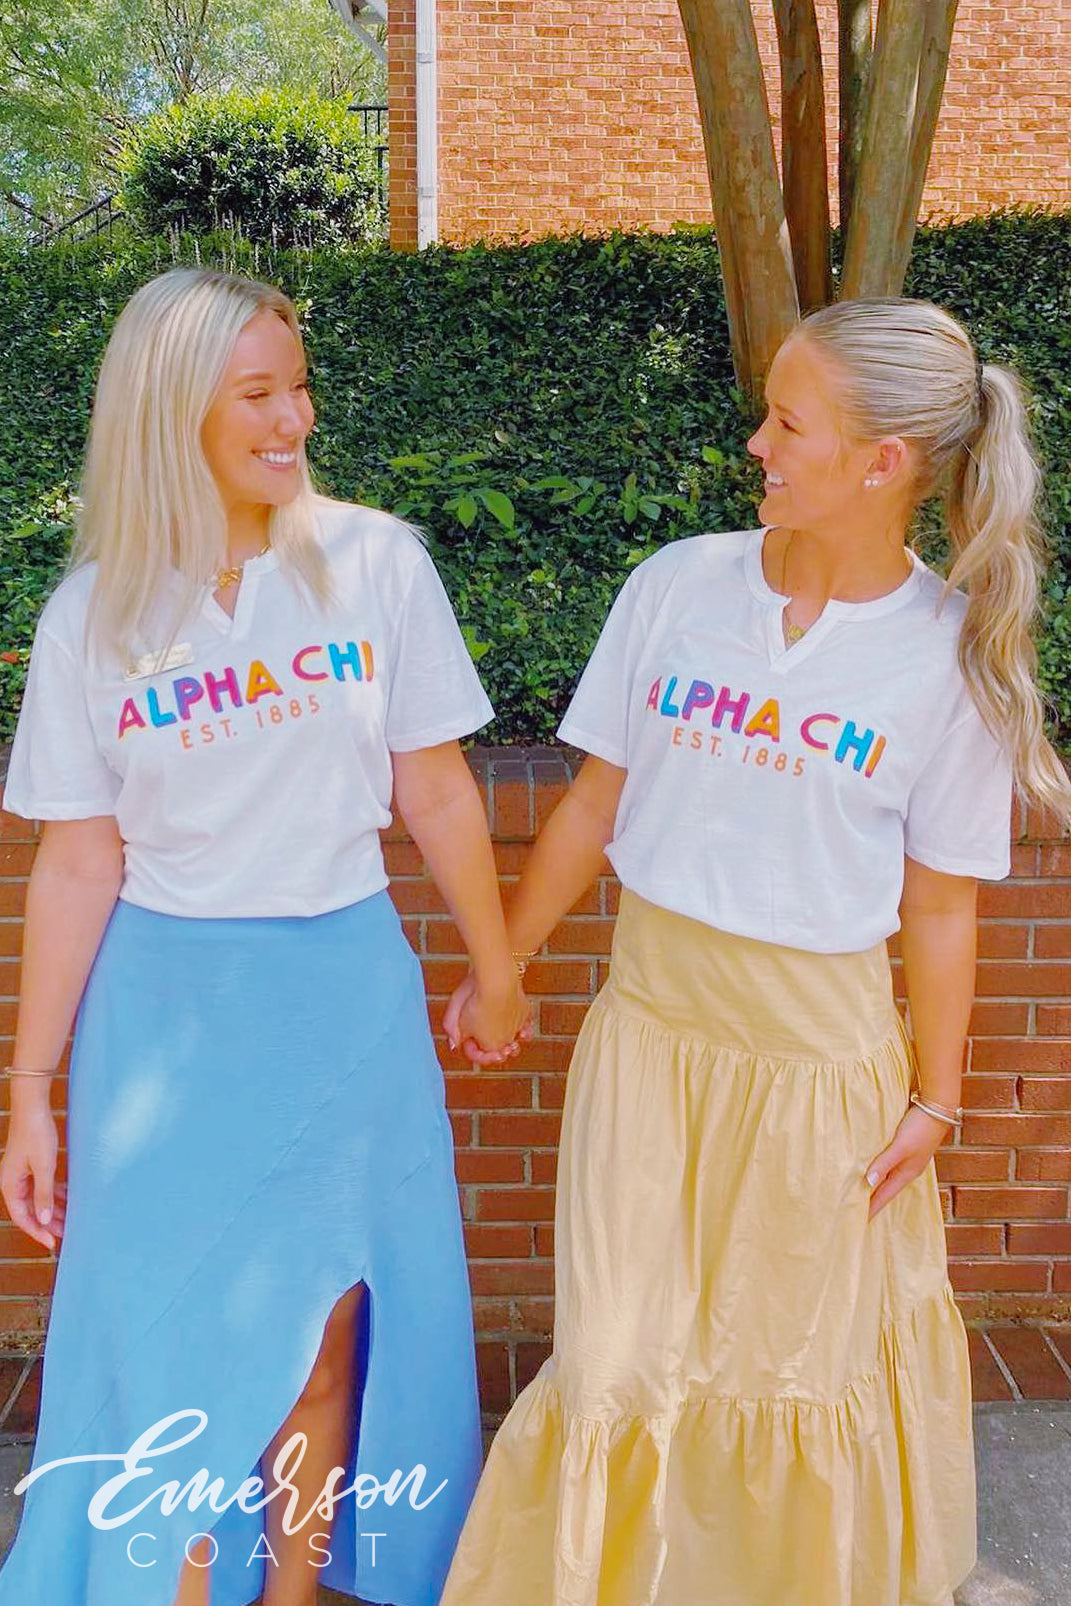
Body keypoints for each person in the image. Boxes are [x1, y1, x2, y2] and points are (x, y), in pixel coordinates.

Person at [437, 297, 1071, 1606]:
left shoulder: (946, 659)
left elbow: (941, 906)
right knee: (616, 1359)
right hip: (649, 1038)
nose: (757, 444)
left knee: (782, 1366)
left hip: (818, 1069)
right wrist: (505, 968)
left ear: (882, 462)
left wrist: (939, 1098)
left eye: (789, 423)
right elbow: (592, 805)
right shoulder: (678, 586)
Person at [0, 266, 527, 1606]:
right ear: (170, 409)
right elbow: (78, 859)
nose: (294, 419)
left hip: (343, 1002)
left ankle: (292, 1594)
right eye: (257, 394)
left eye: (298, 388)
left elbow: (435, 788)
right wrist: (31, 1087)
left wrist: (497, 966)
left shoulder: (377, 563)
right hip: (163, 1019)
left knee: (323, 1334)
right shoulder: (92, 616)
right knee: (170, 1347)